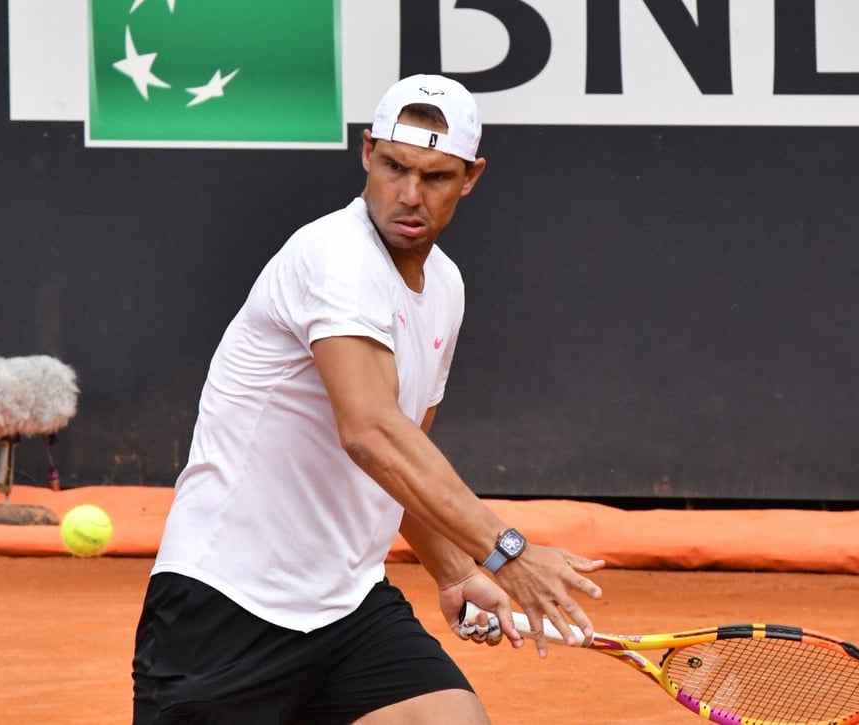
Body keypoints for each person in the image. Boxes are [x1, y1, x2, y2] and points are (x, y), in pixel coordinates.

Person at [131, 74, 605, 724]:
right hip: (225, 607)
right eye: (394, 167)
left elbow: (398, 462)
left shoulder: (445, 286)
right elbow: (371, 433)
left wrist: (454, 570)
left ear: (471, 177)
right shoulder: (334, 256)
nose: (408, 195)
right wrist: (506, 551)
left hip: (348, 609)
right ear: (367, 153)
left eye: (436, 176)